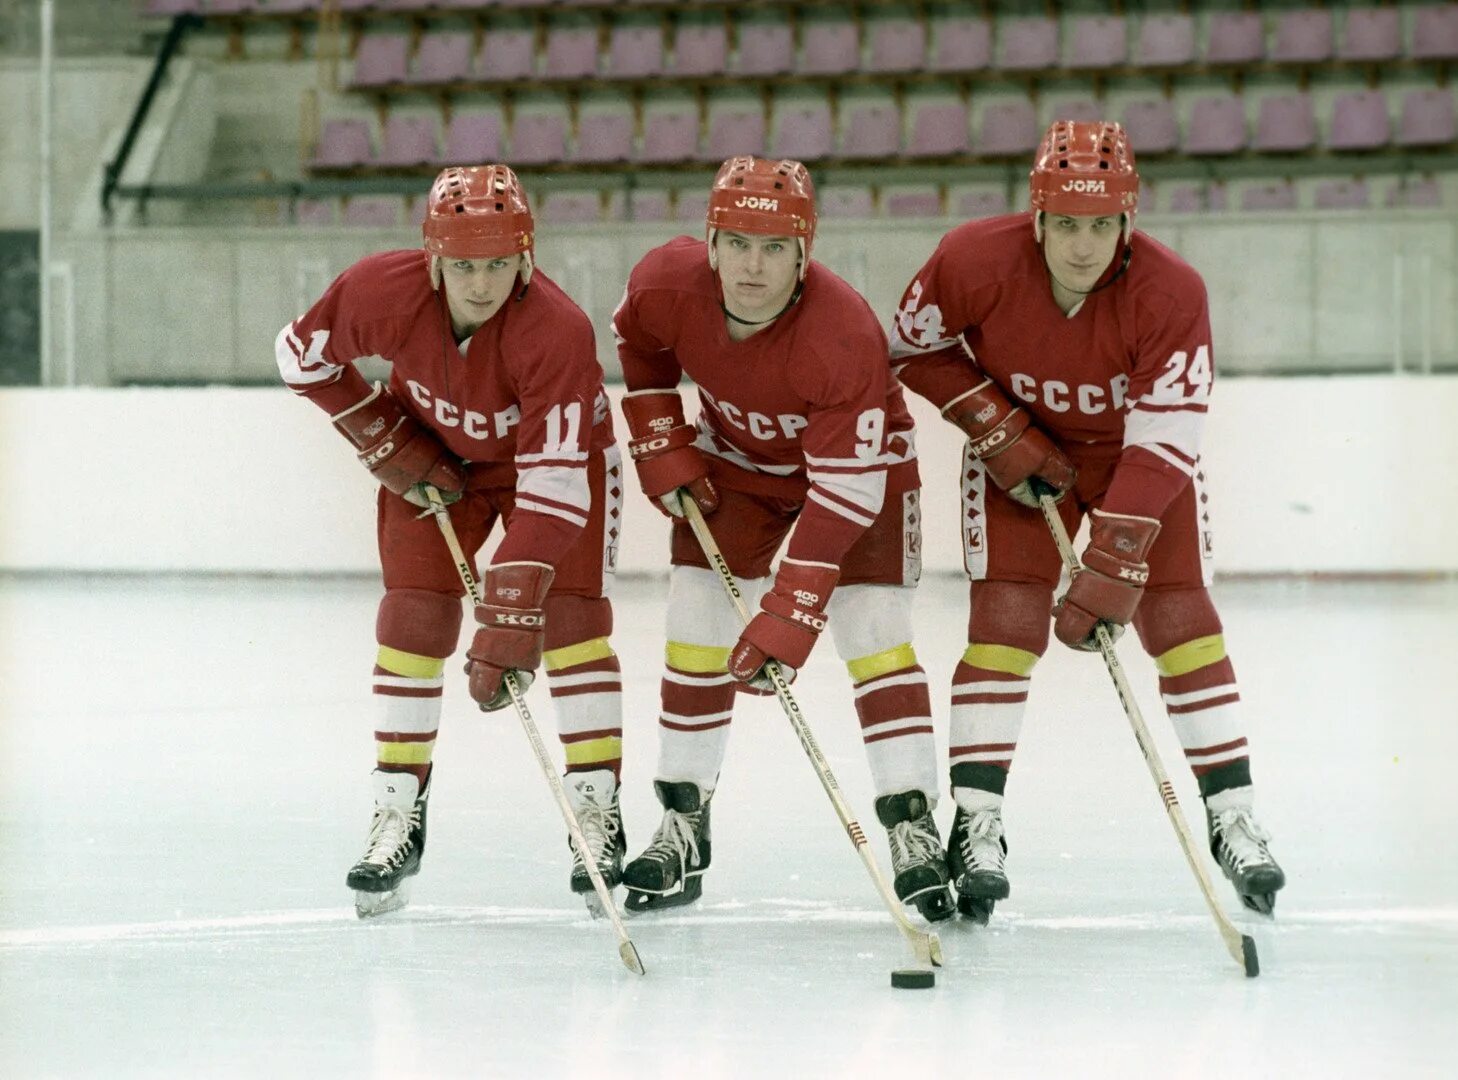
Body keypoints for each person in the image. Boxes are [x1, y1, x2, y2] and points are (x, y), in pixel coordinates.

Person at [889, 121, 1286, 921]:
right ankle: (977, 820)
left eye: (1101, 225)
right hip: (1017, 461)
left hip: (1134, 465)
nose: (1082, 245)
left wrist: (1116, 554)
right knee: (1002, 626)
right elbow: (906, 347)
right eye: (1065, 224)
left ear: (1127, 223)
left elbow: (1169, 434)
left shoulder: (1174, 292)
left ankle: (1232, 813)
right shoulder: (971, 259)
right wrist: (996, 426)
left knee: (1183, 622)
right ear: (1036, 218)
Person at [275, 165, 627, 917]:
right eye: (464, 265)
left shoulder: (557, 330)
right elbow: (297, 355)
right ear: (433, 258)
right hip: (435, 462)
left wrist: (511, 607)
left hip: (554, 472)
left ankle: (597, 808)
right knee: (412, 618)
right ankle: (397, 808)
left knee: (569, 622)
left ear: (526, 258)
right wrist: (378, 431)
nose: (480, 284)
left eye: (498, 264)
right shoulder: (379, 292)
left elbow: (557, 487)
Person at [611, 156, 951, 921]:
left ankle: (912, 821)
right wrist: (660, 431)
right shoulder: (666, 284)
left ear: (805, 253)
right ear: (710, 242)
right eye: (737, 243)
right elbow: (638, 343)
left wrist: (791, 609)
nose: (752, 266)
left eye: (774, 247)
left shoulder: (842, 333)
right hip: (738, 463)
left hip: (864, 472)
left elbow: (845, 492)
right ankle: (683, 820)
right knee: (694, 618)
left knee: (872, 629)